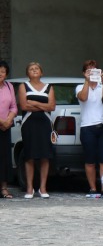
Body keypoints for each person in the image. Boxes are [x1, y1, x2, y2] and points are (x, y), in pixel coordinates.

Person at [17, 62, 55, 199]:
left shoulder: (49, 87)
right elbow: (24, 105)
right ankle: (29, 188)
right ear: (27, 73)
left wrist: (34, 103)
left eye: (37, 68)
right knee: (30, 156)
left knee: (45, 156)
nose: (34, 70)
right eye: (31, 69)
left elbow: (51, 106)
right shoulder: (23, 86)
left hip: (45, 123)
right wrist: (42, 105)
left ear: (41, 72)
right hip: (29, 123)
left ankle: (43, 188)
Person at [76, 59, 103, 198]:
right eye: (88, 70)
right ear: (84, 72)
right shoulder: (80, 87)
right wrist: (87, 81)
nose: (92, 73)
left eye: (94, 70)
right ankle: (92, 188)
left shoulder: (101, 87)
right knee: (90, 160)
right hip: (87, 126)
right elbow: (83, 98)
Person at [0, 60, 17, 199]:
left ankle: (4, 188)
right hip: (2, 123)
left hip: (5, 127)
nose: (0, 74)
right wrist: (2, 121)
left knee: (4, 157)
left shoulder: (9, 86)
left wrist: (8, 120)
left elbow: (14, 107)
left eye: (3, 71)